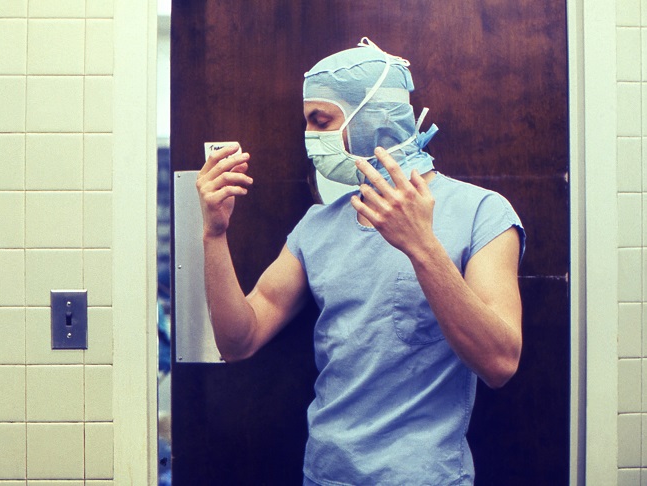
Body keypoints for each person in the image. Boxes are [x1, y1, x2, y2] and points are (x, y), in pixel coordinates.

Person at [196, 38, 525, 486]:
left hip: (425, 477)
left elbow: (500, 363)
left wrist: (421, 247)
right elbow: (239, 341)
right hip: (326, 474)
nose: (310, 138)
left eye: (321, 121)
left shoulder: (482, 213)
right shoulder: (318, 226)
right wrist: (214, 234)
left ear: (373, 118)